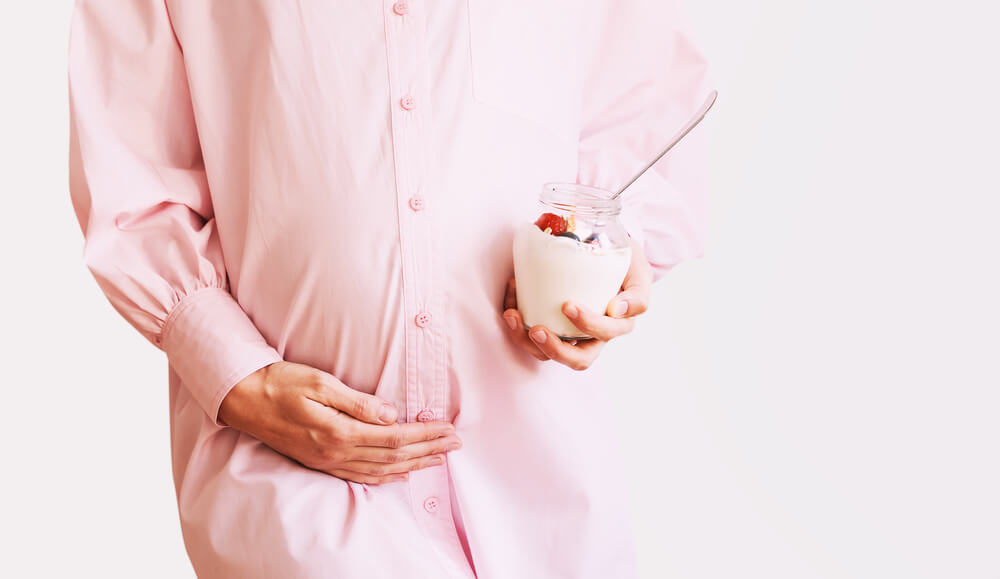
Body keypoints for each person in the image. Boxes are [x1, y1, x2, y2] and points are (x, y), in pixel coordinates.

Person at [68, 1, 709, 577]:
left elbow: (650, 113)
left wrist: (611, 256)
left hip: (540, 483)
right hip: (294, 480)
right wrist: (240, 378)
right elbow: (129, 163)